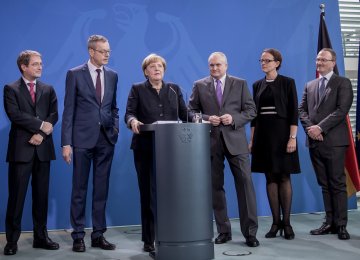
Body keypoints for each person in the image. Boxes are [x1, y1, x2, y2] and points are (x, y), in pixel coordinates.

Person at [188, 52, 259, 247]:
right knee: (215, 187)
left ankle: (250, 233)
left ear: (226, 65)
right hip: (210, 143)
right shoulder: (199, 85)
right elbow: (190, 111)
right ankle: (223, 231)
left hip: (236, 142)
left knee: (245, 186)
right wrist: (206, 118)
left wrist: (234, 119)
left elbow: (251, 110)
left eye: (218, 65)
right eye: (211, 65)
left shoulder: (240, 83)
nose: (214, 69)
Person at [61, 35, 119, 252]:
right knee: (79, 189)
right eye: (103, 51)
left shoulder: (113, 75)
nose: (107, 55)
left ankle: (98, 234)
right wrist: (66, 143)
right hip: (82, 140)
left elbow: (113, 107)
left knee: (101, 190)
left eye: (108, 51)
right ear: (91, 52)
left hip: (106, 140)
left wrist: (115, 128)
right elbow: (69, 110)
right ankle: (78, 235)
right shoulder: (75, 74)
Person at [124, 53, 188, 252]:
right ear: (146, 71)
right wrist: (133, 121)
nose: (157, 69)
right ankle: (148, 239)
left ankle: (170, 234)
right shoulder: (137, 89)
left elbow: (185, 114)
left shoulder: (174, 89)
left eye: (159, 66)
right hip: (145, 148)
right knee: (148, 194)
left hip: (170, 150)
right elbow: (129, 113)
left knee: (170, 194)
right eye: (152, 67)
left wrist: (201, 120)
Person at [3, 50, 59, 255]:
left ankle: (41, 237)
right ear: (23, 67)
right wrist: (40, 126)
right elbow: (15, 115)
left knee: (41, 197)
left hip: (43, 149)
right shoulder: (10, 89)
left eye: (41, 63)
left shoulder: (48, 89)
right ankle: (12, 240)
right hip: (21, 150)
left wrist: (41, 135)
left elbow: (54, 115)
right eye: (35, 64)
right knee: (16, 197)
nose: (40, 67)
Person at [298, 48, 353, 240]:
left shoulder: (343, 83)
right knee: (324, 184)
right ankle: (329, 222)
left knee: (337, 184)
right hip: (315, 142)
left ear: (333, 62)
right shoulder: (310, 85)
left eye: (323, 60)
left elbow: (342, 110)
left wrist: (319, 128)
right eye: (317, 59)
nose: (319, 63)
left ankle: (341, 225)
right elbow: (301, 110)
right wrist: (311, 129)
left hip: (335, 142)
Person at [249, 48, 300, 240]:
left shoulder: (288, 83)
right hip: (263, 137)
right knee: (270, 178)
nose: (263, 63)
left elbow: (293, 112)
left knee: (284, 177)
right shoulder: (257, 85)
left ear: (277, 63)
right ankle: (275, 223)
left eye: (267, 60)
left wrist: (292, 138)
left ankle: (286, 224)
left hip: (283, 135)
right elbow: (254, 116)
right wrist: (252, 140)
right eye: (261, 60)